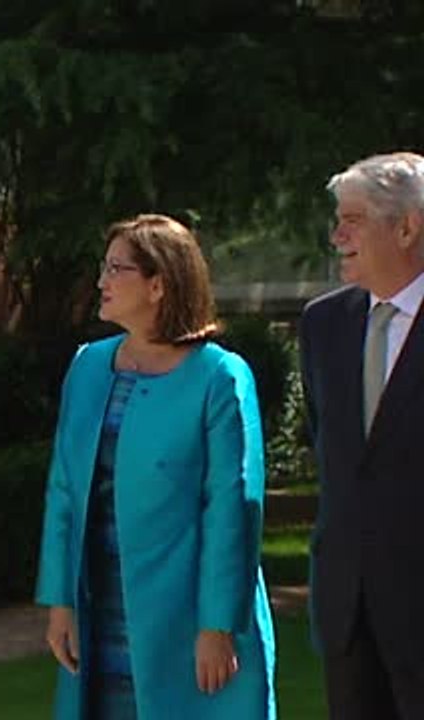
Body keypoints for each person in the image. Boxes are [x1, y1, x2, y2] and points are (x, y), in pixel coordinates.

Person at [36, 214, 276, 719]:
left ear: (159, 284)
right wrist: (60, 601)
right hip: (98, 605)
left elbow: (232, 508)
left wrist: (217, 625)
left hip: (186, 618)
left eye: (115, 269)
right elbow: (63, 489)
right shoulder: (87, 366)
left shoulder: (220, 376)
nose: (100, 282)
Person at [300, 152, 424, 718]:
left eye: (353, 219)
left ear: (407, 227)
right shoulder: (323, 325)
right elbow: (331, 449)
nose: (337, 234)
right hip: (347, 608)